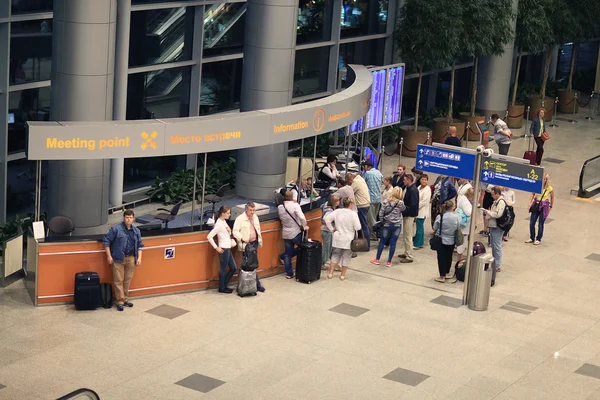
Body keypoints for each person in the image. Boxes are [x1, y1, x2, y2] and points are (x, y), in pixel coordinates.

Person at [103, 210, 144, 312]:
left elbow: (140, 245)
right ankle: (119, 301)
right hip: (118, 258)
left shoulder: (136, 231)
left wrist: (139, 258)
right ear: (124, 218)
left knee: (127, 280)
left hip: (131, 258)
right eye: (126, 217)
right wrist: (109, 256)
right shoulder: (116, 229)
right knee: (118, 280)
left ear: (133, 218)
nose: (128, 219)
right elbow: (106, 242)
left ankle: (125, 298)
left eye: (130, 217)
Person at [324, 197, 361, 280]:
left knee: (335, 255)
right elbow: (358, 227)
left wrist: (332, 229)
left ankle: (330, 273)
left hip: (337, 238)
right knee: (346, 256)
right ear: (350, 204)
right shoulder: (353, 214)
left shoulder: (337, 211)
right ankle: (342, 275)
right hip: (348, 239)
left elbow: (327, 219)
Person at [232, 202, 265, 292]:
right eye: (250, 210)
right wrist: (242, 238)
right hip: (246, 245)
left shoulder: (255, 217)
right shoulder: (240, 219)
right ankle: (247, 285)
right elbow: (235, 231)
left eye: (254, 210)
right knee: (247, 264)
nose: (252, 212)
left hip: (254, 243)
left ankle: (253, 284)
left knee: (252, 263)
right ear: (246, 209)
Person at [370, 187, 406, 267]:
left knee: (382, 241)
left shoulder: (386, 202)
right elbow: (404, 210)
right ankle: (389, 261)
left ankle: (377, 259)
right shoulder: (401, 203)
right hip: (397, 225)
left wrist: (382, 221)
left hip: (386, 224)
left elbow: (381, 213)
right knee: (393, 243)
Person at [277, 190, 309, 279]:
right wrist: (304, 226)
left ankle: (289, 273)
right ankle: (303, 269)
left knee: (288, 253)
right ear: (292, 197)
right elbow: (302, 218)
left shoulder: (280, 207)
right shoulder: (295, 206)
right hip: (296, 232)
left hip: (286, 233)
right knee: (304, 248)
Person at [207, 206, 237, 294]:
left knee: (233, 268)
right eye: (228, 213)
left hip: (228, 247)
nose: (229, 214)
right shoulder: (219, 224)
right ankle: (222, 287)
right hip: (224, 248)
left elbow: (228, 233)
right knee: (223, 269)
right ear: (223, 213)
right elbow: (209, 236)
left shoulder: (224, 222)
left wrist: (229, 230)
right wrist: (216, 247)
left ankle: (223, 284)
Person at [433, 200, 459, 283]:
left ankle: (442, 276)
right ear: (452, 207)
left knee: (441, 258)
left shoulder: (440, 216)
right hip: (452, 240)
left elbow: (435, 227)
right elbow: (457, 228)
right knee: (449, 257)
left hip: (442, 239)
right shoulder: (455, 217)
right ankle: (447, 272)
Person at [483, 186, 506, 273]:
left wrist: (488, 212)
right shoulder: (496, 201)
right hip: (493, 226)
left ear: (497, 194)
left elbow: (498, 214)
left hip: (497, 226)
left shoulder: (501, 202)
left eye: (493, 194)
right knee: (494, 245)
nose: (491, 196)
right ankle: (494, 263)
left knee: (497, 246)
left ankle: (497, 265)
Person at [526, 173, 554, 245]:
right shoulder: (537, 186)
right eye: (542, 179)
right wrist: (530, 203)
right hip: (536, 204)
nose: (543, 181)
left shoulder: (549, 188)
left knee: (540, 224)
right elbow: (532, 194)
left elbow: (552, 197)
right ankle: (532, 237)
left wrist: (551, 206)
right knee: (532, 222)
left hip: (544, 206)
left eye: (545, 179)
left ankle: (538, 239)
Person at [347, 173, 371, 250]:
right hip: (366, 204)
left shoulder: (356, 182)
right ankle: (363, 245)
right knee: (362, 226)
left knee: (363, 226)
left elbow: (349, 192)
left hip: (361, 205)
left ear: (351, 179)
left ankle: (366, 246)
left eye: (349, 182)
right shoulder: (361, 179)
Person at [398, 174, 419, 263]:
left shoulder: (413, 190)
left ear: (409, 180)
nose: (403, 181)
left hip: (410, 216)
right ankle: (406, 252)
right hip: (407, 215)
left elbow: (413, 205)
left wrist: (404, 210)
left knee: (408, 236)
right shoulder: (409, 189)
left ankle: (409, 256)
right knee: (406, 235)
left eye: (405, 180)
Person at [362, 160, 383, 240]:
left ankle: (374, 235)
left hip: (370, 199)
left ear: (368, 167)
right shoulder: (379, 173)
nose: (364, 168)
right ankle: (376, 234)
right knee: (374, 217)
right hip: (378, 198)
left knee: (371, 219)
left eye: (364, 167)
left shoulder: (367, 174)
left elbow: (362, 183)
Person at [320, 194, 340, 269]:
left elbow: (321, 206)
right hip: (327, 231)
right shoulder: (329, 211)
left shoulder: (325, 205)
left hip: (325, 230)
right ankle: (322, 264)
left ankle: (334, 262)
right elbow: (326, 219)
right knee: (326, 249)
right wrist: (331, 228)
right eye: (337, 201)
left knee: (331, 248)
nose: (339, 202)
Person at [456, 188, 474, 262]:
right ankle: (460, 260)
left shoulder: (462, 198)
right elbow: (468, 213)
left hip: (461, 225)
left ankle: (460, 258)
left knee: (461, 242)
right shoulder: (466, 202)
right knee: (462, 243)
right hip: (464, 226)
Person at [414, 174, 431, 249]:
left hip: (422, 211)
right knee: (420, 227)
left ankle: (416, 244)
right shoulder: (418, 187)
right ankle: (421, 242)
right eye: (422, 179)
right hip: (418, 210)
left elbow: (424, 201)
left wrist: (415, 207)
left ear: (427, 181)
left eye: (425, 180)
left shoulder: (427, 189)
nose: (423, 181)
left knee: (419, 228)